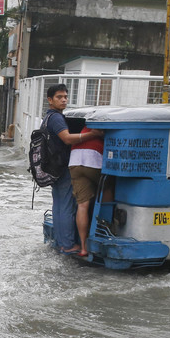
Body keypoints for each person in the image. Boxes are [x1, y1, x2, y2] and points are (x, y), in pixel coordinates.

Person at [42, 84, 103, 254]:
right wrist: (91, 135)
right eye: (59, 97)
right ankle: (68, 244)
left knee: (59, 205)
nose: (63, 100)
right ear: (50, 100)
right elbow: (67, 139)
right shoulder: (56, 118)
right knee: (67, 206)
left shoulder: (47, 118)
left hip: (53, 167)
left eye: (65, 97)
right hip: (62, 167)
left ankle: (63, 242)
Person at [69, 126, 108, 256]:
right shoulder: (103, 129)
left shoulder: (85, 129)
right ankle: (106, 233)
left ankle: (83, 248)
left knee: (82, 205)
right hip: (94, 158)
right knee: (108, 189)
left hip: (74, 161)